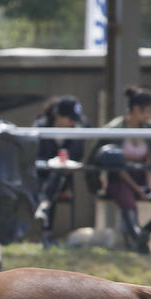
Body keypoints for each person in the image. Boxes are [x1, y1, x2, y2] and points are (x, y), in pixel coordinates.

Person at [94, 86, 151, 253]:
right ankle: (136, 236)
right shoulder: (115, 129)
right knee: (128, 202)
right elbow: (107, 161)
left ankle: (145, 233)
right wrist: (95, 184)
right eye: (149, 111)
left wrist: (149, 185)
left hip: (144, 177)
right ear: (136, 109)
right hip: (120, 178)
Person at [30, 95, 87, 244]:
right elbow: (33, 156)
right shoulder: (40, 128)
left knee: (56, 178)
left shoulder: (77, 132)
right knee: (48, 182)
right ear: (59, 115)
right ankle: (46, 227)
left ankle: (44, 208)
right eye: (70, 118)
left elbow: (77, 157)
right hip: (38, 176)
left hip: (63, 178)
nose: (73, 122)